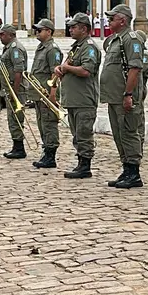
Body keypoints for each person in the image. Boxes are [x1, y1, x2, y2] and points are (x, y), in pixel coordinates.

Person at [101, 5, 145, 189]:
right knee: (119, 134)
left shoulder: (131, 39)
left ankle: (134, 172)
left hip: (125, 96)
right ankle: (126, 169)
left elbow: (134, 68)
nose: (109, 22)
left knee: (128, 133)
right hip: (114, 96)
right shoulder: (115, 40)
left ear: (123, 20)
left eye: (112, 18)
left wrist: (128, 94)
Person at [55, 13, 102, 179]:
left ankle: (85, 165)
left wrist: (67, 68)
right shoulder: (77, 47)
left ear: (84, 28)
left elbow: (86, 70)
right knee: (77, 133)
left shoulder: (89, 47)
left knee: (84, 133)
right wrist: (61, 69)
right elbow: (68, 66)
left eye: (74, 27)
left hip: (84, 99)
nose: (70, 29)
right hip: (74, 99)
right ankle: (81, 162)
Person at [29, 18, 63, 168]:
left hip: (47, 94)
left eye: (40, 30)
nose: (37, 32)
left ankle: (50, 155)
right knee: (42, 124)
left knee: (49, 124)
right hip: (39, 94)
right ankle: (46, 151)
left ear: (48, 32)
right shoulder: (42, 47)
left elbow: (54, 74)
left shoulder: (52, 49)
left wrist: (53, 95)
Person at [0, 24, 29, 160]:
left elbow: (18, 71)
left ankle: (19, 147)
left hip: (16, 89)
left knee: (16, 118)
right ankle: (16, 145)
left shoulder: (15, 48)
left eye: (2, 34)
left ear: (10, 35)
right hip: (9, 89)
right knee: (12, 119)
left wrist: (14, 92)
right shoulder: (9, 47)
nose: (0, 37)